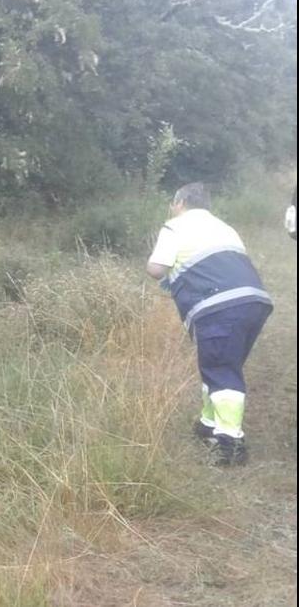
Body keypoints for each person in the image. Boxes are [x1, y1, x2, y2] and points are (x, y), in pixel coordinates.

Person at [146, 182, 273, 466]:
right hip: (254, 302)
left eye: (173, 202)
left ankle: (230, 445)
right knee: (219, 363)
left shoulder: (175, 226)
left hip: (217, 305)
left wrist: (167, 272)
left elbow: (156, 269)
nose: (172, 207)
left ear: (180, 202)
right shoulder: (225, 228)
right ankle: (207, 424)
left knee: (221, 369)